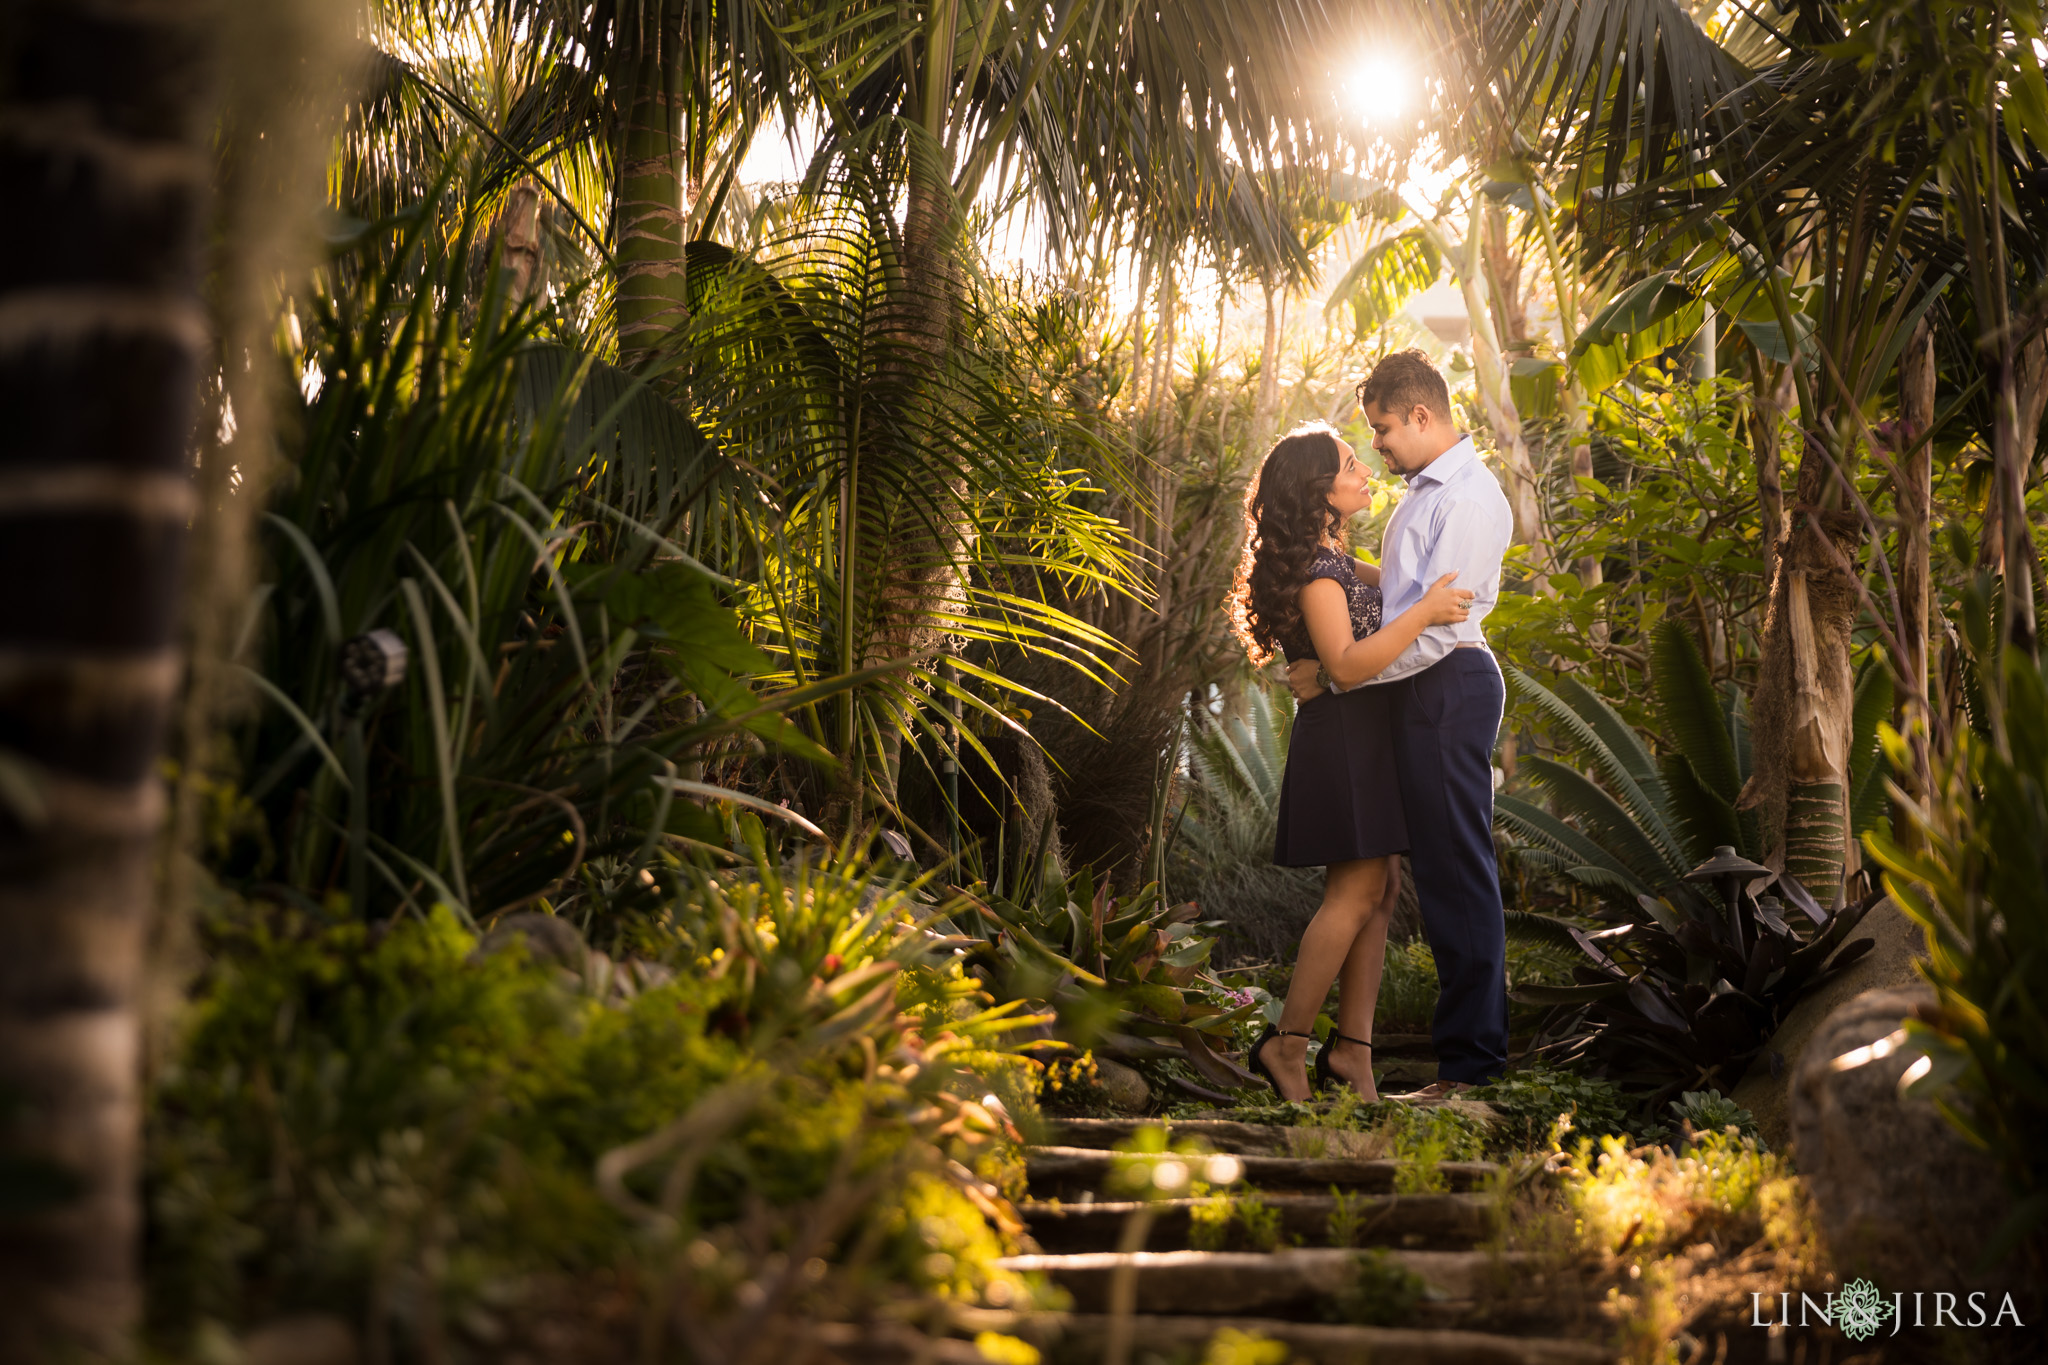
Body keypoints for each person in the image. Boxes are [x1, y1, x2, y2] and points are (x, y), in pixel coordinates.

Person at [1287, 350, 1514, 1097]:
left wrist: (1343, 674)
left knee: (1457, 875)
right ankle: (1443, 1060)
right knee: (1431, 876)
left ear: (1421, 415)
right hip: (1419, 689)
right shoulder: (1423, 492)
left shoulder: (1469, 499)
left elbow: (1435, 630)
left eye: (1382, 430)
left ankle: (1471, 1069)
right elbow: (1400, 597)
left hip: (1445, 685)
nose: (1376, 445)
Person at [1227, 421, 1474, 1102]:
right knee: (1355, 893)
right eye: (1347, 462)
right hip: (1344, 739)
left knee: (1382, 890)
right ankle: (1286, 1044)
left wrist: (1425, 586)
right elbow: (1344, 661)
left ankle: (1353, 1055)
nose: (1364, 468)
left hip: (1362, 733)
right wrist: (1424, 612)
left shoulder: (1330, 556)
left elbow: (1392, 585)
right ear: (1319, 489)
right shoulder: (1314, 567)